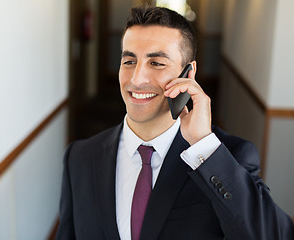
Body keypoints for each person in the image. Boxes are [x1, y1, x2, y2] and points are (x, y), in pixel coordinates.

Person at [56, 6, 294, 240]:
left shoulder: (229, 157)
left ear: (188, 73)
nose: (137, 79)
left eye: (156, 63)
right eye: (129, 61)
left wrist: (202, 145)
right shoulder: (79, 158)